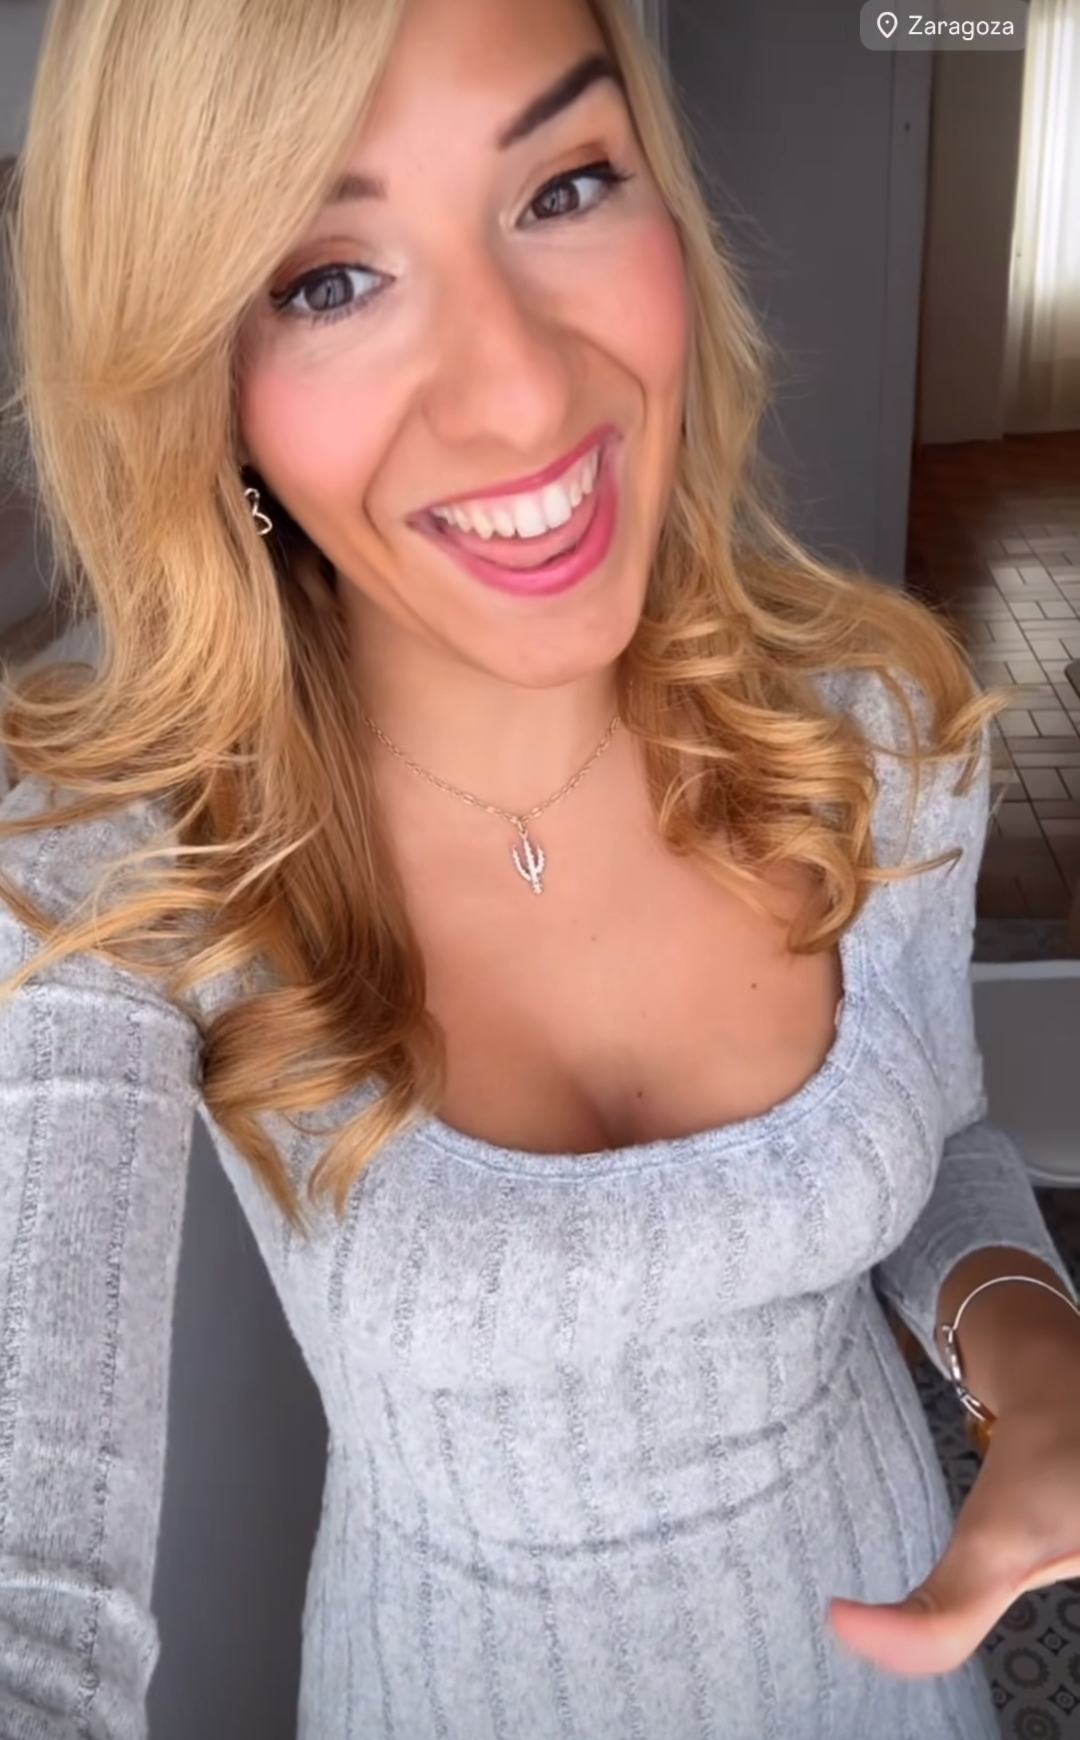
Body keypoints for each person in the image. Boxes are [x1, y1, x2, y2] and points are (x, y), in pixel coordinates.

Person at [1, 0, 1079, 1735]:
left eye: (564, 186)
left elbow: (937, 1135)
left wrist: (1034, 1345)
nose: (517, 389)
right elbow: (31, 1601)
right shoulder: (115, 862)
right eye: (328, 280)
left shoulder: (866, 727)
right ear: (200, 378)